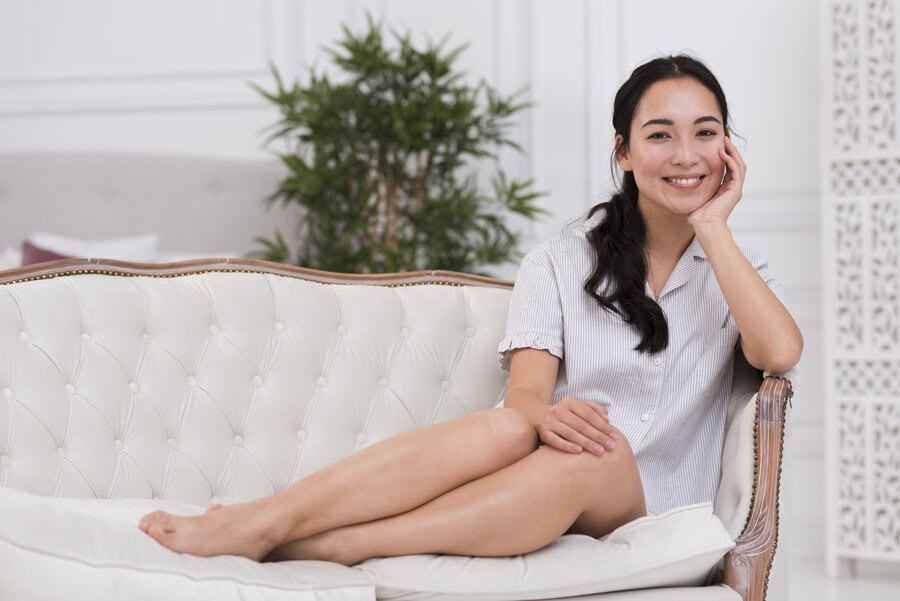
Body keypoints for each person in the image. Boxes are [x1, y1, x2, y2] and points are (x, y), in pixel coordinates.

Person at [138, 54, 803, 566]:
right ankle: (266, 519)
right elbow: (525, 400)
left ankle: (339, 544)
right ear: (624, 152)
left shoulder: (734, 273)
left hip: (649, 505)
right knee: (514, 429)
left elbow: (780, 352)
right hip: (547, 476)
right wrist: (549, 416)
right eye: (660, 135)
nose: (685, 155)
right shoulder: (560, 260)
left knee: (599, 454)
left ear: (728, 150)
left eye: (705, 133)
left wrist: (712, 227)